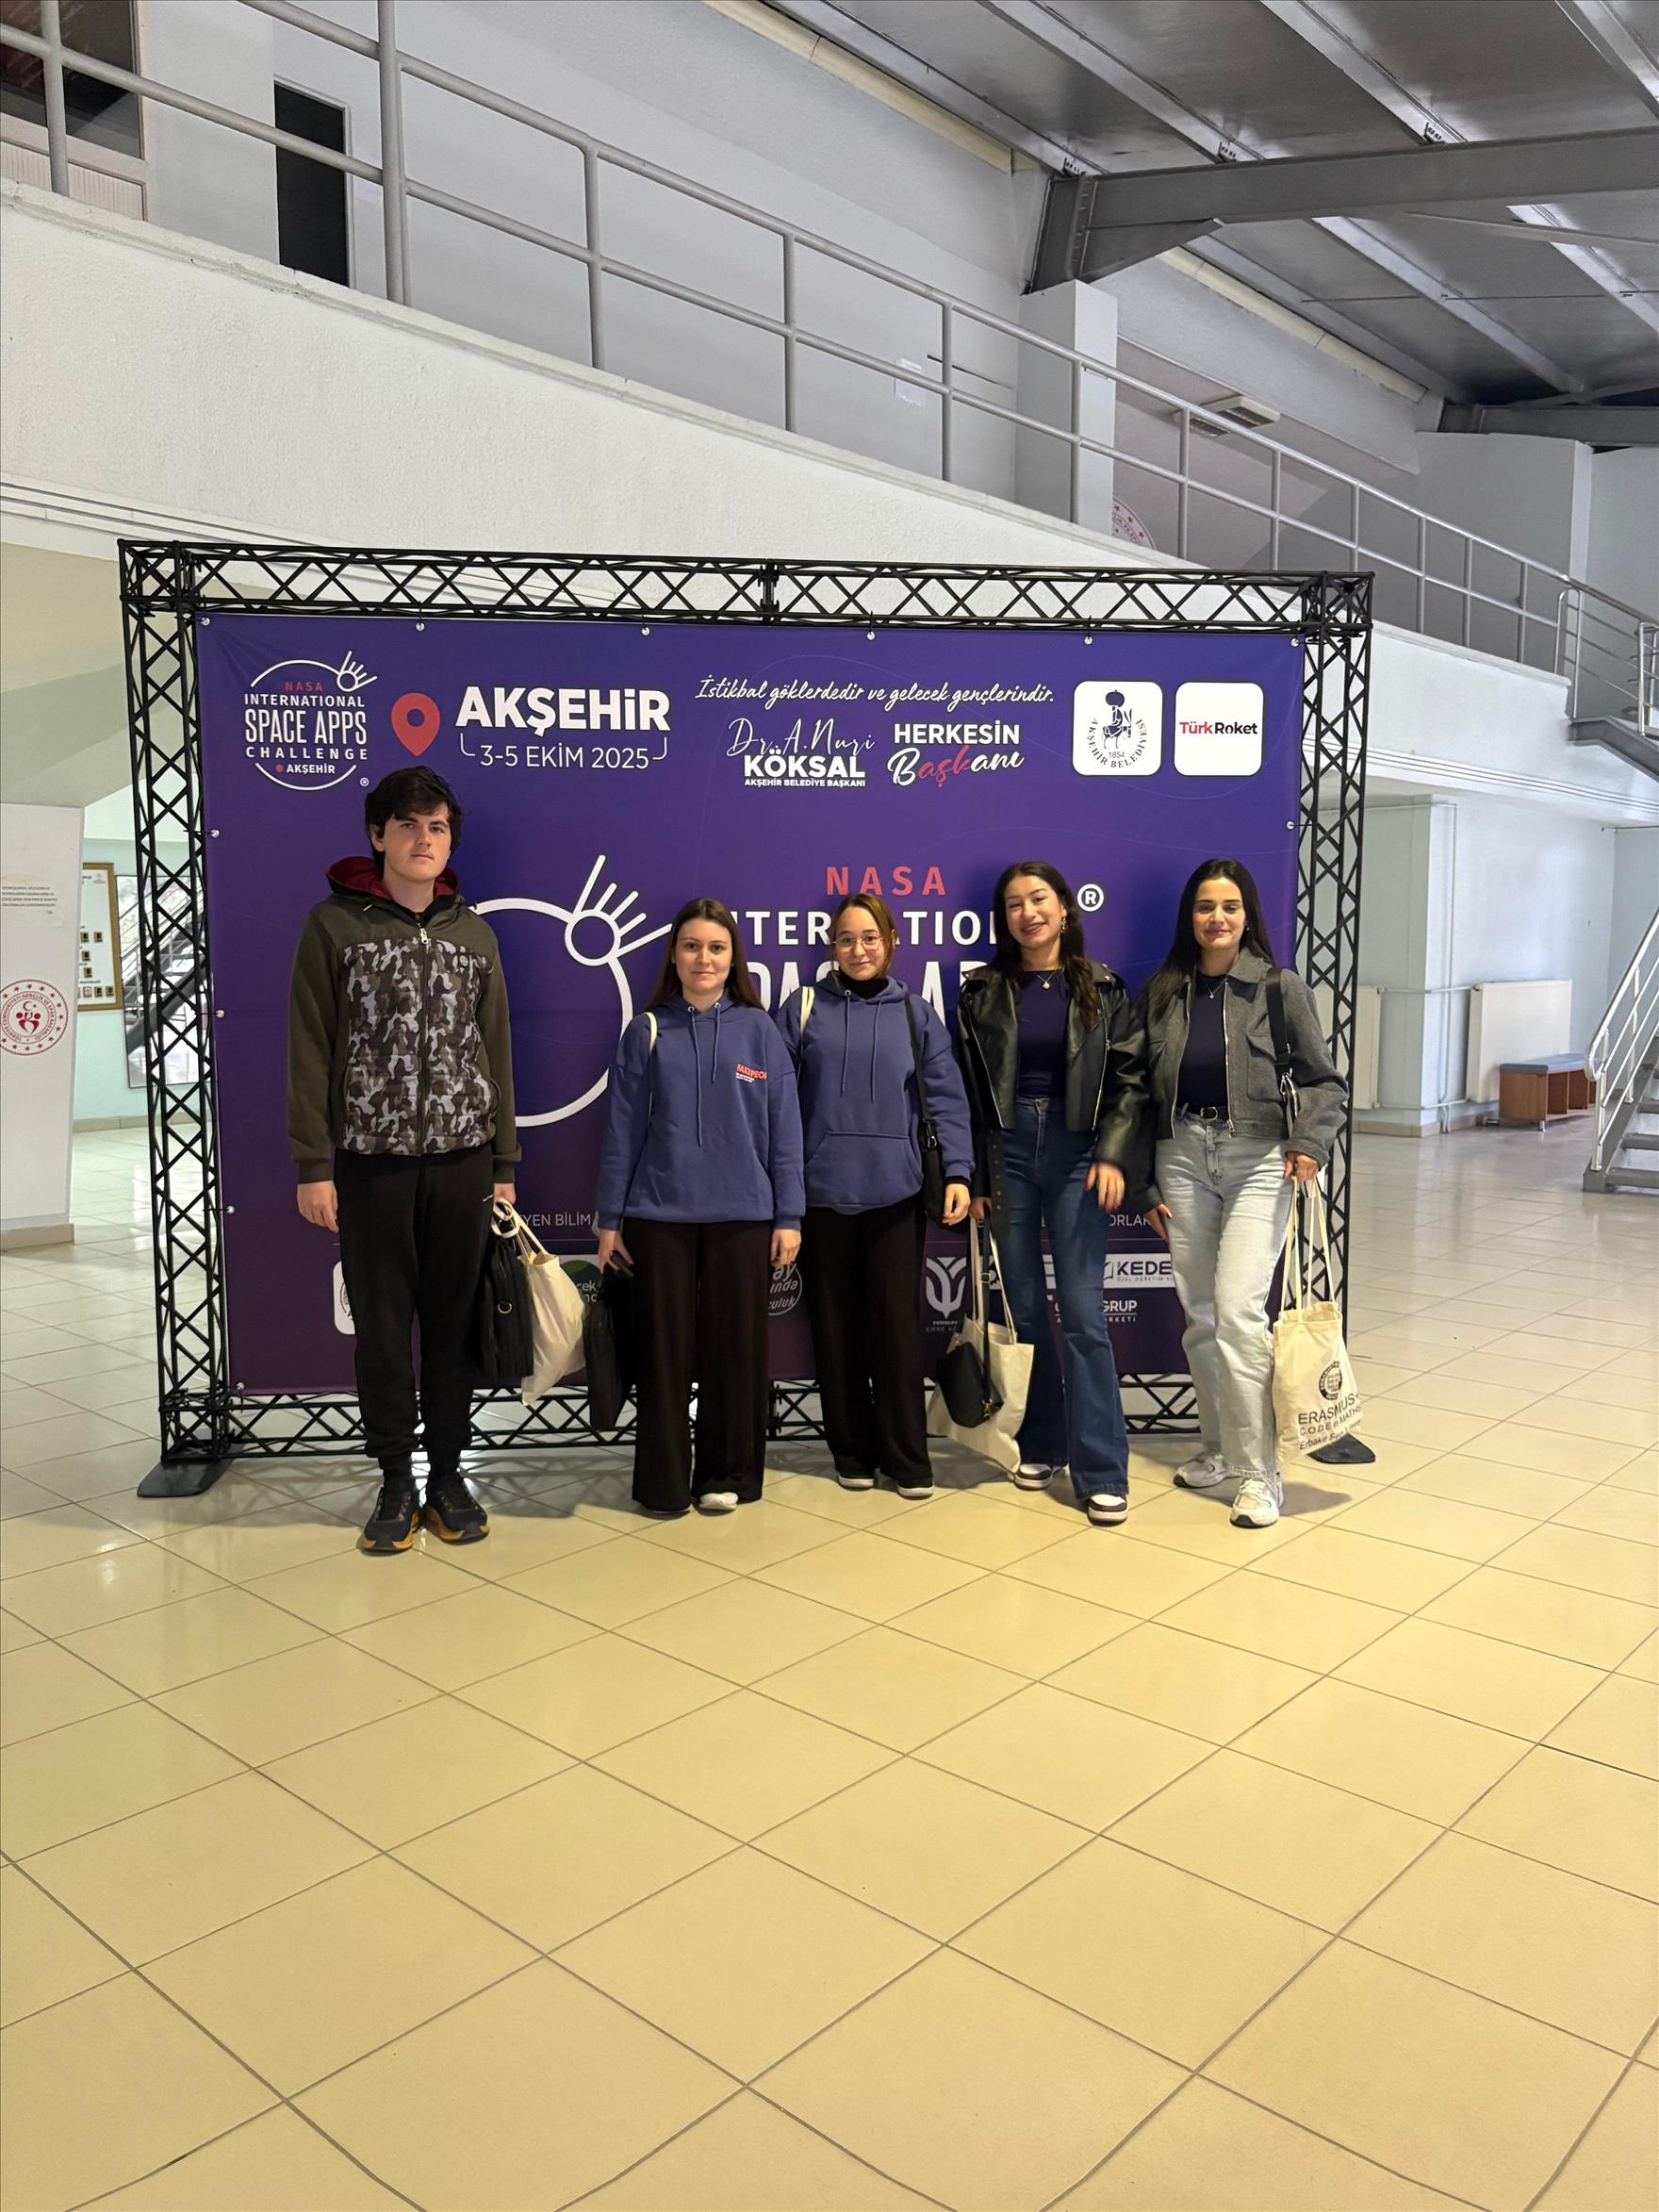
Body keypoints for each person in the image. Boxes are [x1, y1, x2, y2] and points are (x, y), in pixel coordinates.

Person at [287, 765, 517, 1556]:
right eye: (410, 825)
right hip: (370, 1164)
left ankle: (448, 1477)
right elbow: (310, 1045)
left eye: (438, 826)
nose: (425, 839)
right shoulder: (333, 926)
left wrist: (503, 1162)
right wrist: (312, 1163)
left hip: (462, 1161)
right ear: (377, 835)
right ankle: (394, 1480)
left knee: (453, 1328)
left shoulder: (473, 933)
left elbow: (496, 1051)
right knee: (383, 1331)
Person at [1136, 858, 1346, 1529]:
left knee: (1237, 1312)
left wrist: (1309, 1142)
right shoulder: (1163, 992)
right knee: (1201, 1316)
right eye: (1205, 907)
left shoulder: (1278, 988)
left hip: (1259, 1158)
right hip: (1180, 1156)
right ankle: (1221, 1448)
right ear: (1190, 917)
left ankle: (1260, 1473)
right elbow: (1134, 1092)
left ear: (1247, 915)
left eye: (1229, 906)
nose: (1217, 918)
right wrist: (1142, 1179)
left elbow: (1323, 1082)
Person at [595, 899, 803, 1516]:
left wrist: (789, 1216)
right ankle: (663, 1483)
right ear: (674, 956)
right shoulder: (647, 1031)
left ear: (733, 957)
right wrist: (609, 1219)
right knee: (662, 1357)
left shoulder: (760, 1031)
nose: (703, 958)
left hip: (744, 1216)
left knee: (734, 1354)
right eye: (691, 946)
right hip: (660, 1216)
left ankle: (725, 1475)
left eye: (716, 947)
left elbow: (784, 1131)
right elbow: (621, 1131)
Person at [956, 861, 1146, 1526]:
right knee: (1027, 1313)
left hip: (1078, 1154)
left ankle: (1103, 1469)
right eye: (1014, 904)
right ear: (1003, 919)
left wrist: (1113, 1153)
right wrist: (976, 1175)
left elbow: (1129, 1078)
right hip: (1006, 1153)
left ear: (1064, 907)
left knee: (1085, 1314)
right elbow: (964, 1090)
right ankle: (1042, 1443)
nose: (1028, 913)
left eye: (1038, 899)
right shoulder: (981, 991)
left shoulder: (1104, 986)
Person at [776, 895, 974, 1501]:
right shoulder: (801, 1009)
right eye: (845, 939)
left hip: (896, 1195)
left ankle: (907, 1457)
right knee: (835, 1333)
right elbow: (775, 1106)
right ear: (831, 947)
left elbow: (946, 1099)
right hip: (821, 1195)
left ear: (891, 941)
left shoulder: (917, 1015)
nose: (858, 950)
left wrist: (959, 1172)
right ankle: (852, 1452)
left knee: (896, 1332)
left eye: (869, 938)